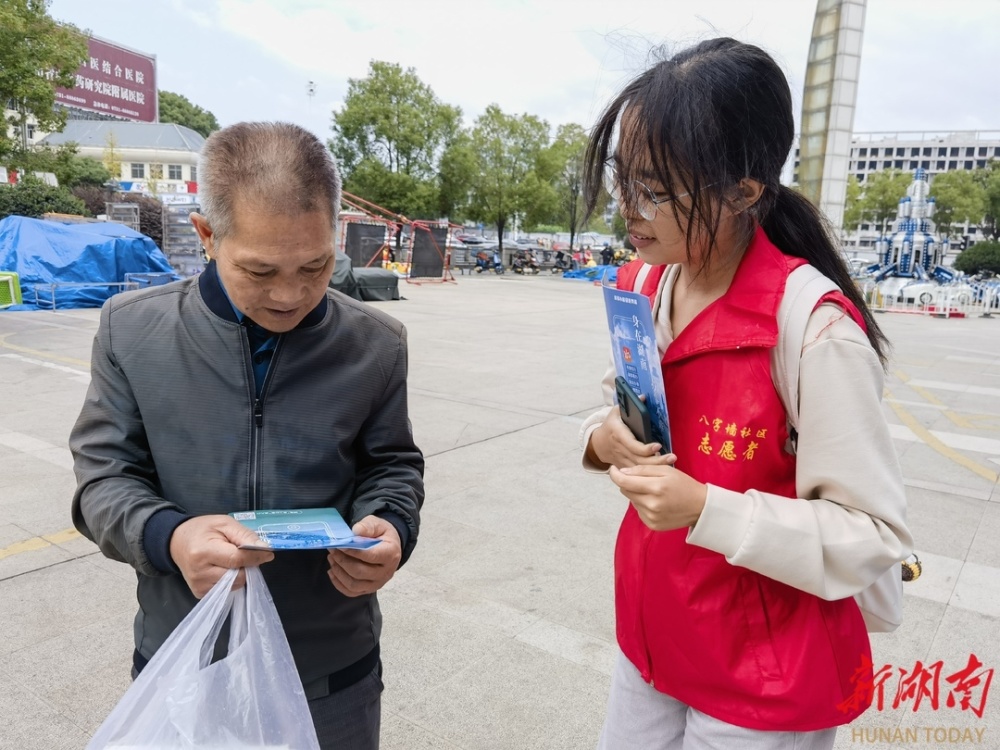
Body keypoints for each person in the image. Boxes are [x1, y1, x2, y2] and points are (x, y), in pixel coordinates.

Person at [578, 39, 912, 750]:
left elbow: (872, 536)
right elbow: (629, 405)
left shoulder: (813, 329)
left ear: (744, 191)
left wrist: (707, 509)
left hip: (761, 682)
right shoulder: (644, 285)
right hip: (653, 639)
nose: (628, 208)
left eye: (657, 189)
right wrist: (602, 437)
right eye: (622, 178)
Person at [70, 121, 424, 750]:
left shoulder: (376, 345)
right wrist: (171, 536)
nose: (290, 295)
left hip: (331, 672)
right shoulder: (133, 332)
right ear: (208, 235)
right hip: (185, 656)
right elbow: (103, 480)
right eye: (260, 271)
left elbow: (392, 466)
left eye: (316, 266)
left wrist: (390, 524)